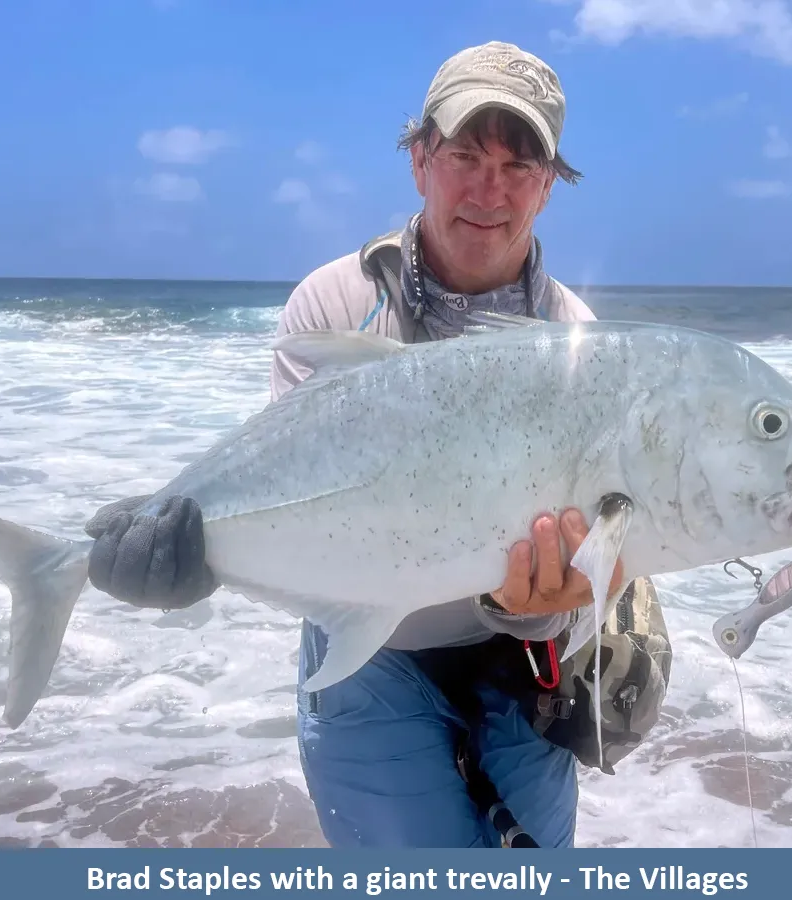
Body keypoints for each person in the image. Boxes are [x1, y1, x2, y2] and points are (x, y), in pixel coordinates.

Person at [84, 41, 672, 849]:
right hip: (368, 653)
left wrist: (541, 608)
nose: (489, 190)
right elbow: (300, 511)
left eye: (518, 166)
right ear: (420, 159)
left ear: (548, 186)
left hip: (524, 666)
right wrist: (189, 549)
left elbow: (583, 559)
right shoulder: (333, 305)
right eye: (465, 156)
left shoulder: (579, 343)